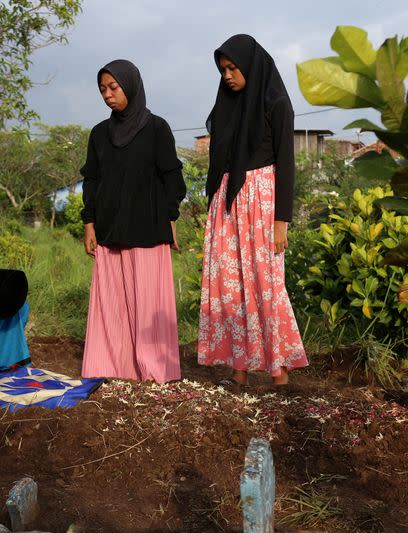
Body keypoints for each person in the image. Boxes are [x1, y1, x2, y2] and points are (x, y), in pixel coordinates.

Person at [198, 34, 308, 389]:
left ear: (251, 64)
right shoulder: (227, 106)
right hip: (227, 200)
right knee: (229, 289)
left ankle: (279, 373)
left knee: (267, 284)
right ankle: (238, 371)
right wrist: (215, 203)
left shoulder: (276, 103)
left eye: (233, 67)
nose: (228, 75)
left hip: (262, 199)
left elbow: (286, 165)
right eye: (223, 70)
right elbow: (220, 160)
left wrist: (282, 221)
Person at [80, 59, 187, 384]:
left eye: (113, 87)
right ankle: (111, 367)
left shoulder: (156, 129)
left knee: (148, 305)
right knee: (112, 306)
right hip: (110, 232)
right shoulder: (99, 134)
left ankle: (154, 371)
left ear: (131, 85)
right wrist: (89, 223)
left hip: (148, 232)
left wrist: (169, 216)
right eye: (102, 89)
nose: (108, 95)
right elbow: (92, 182)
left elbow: (173, 180)